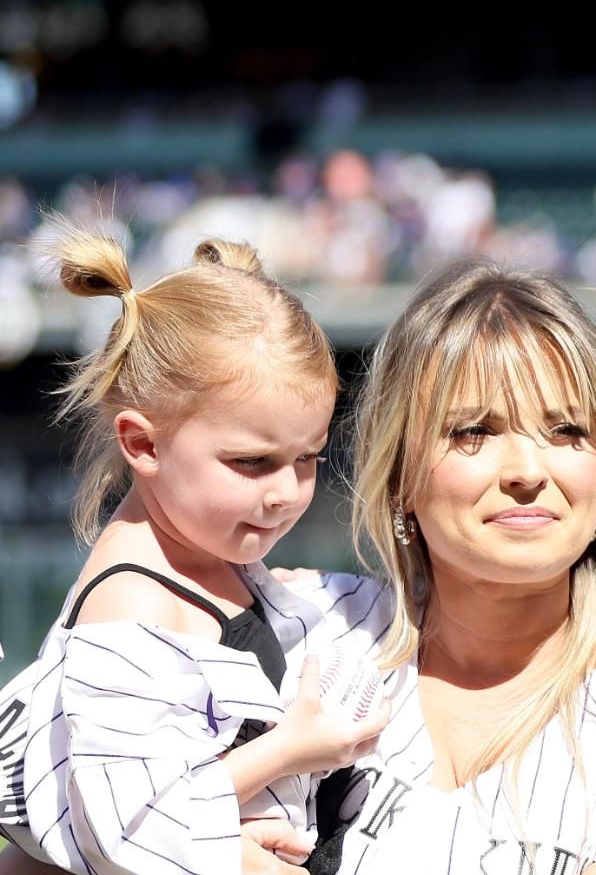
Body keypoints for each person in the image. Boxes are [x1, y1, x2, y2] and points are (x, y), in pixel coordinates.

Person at [301, 257, 596, 874]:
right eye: (474, 431)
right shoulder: (312, 637)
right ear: (399, 477)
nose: (527, 470)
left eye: (566, 430)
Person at [0, 230, 389, 874]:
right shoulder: (132, 608)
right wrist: (288, 750)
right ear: (144, 445)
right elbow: (125, 825)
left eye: (307, 458)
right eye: (250, 462)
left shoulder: (213, 553)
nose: (285, 493)